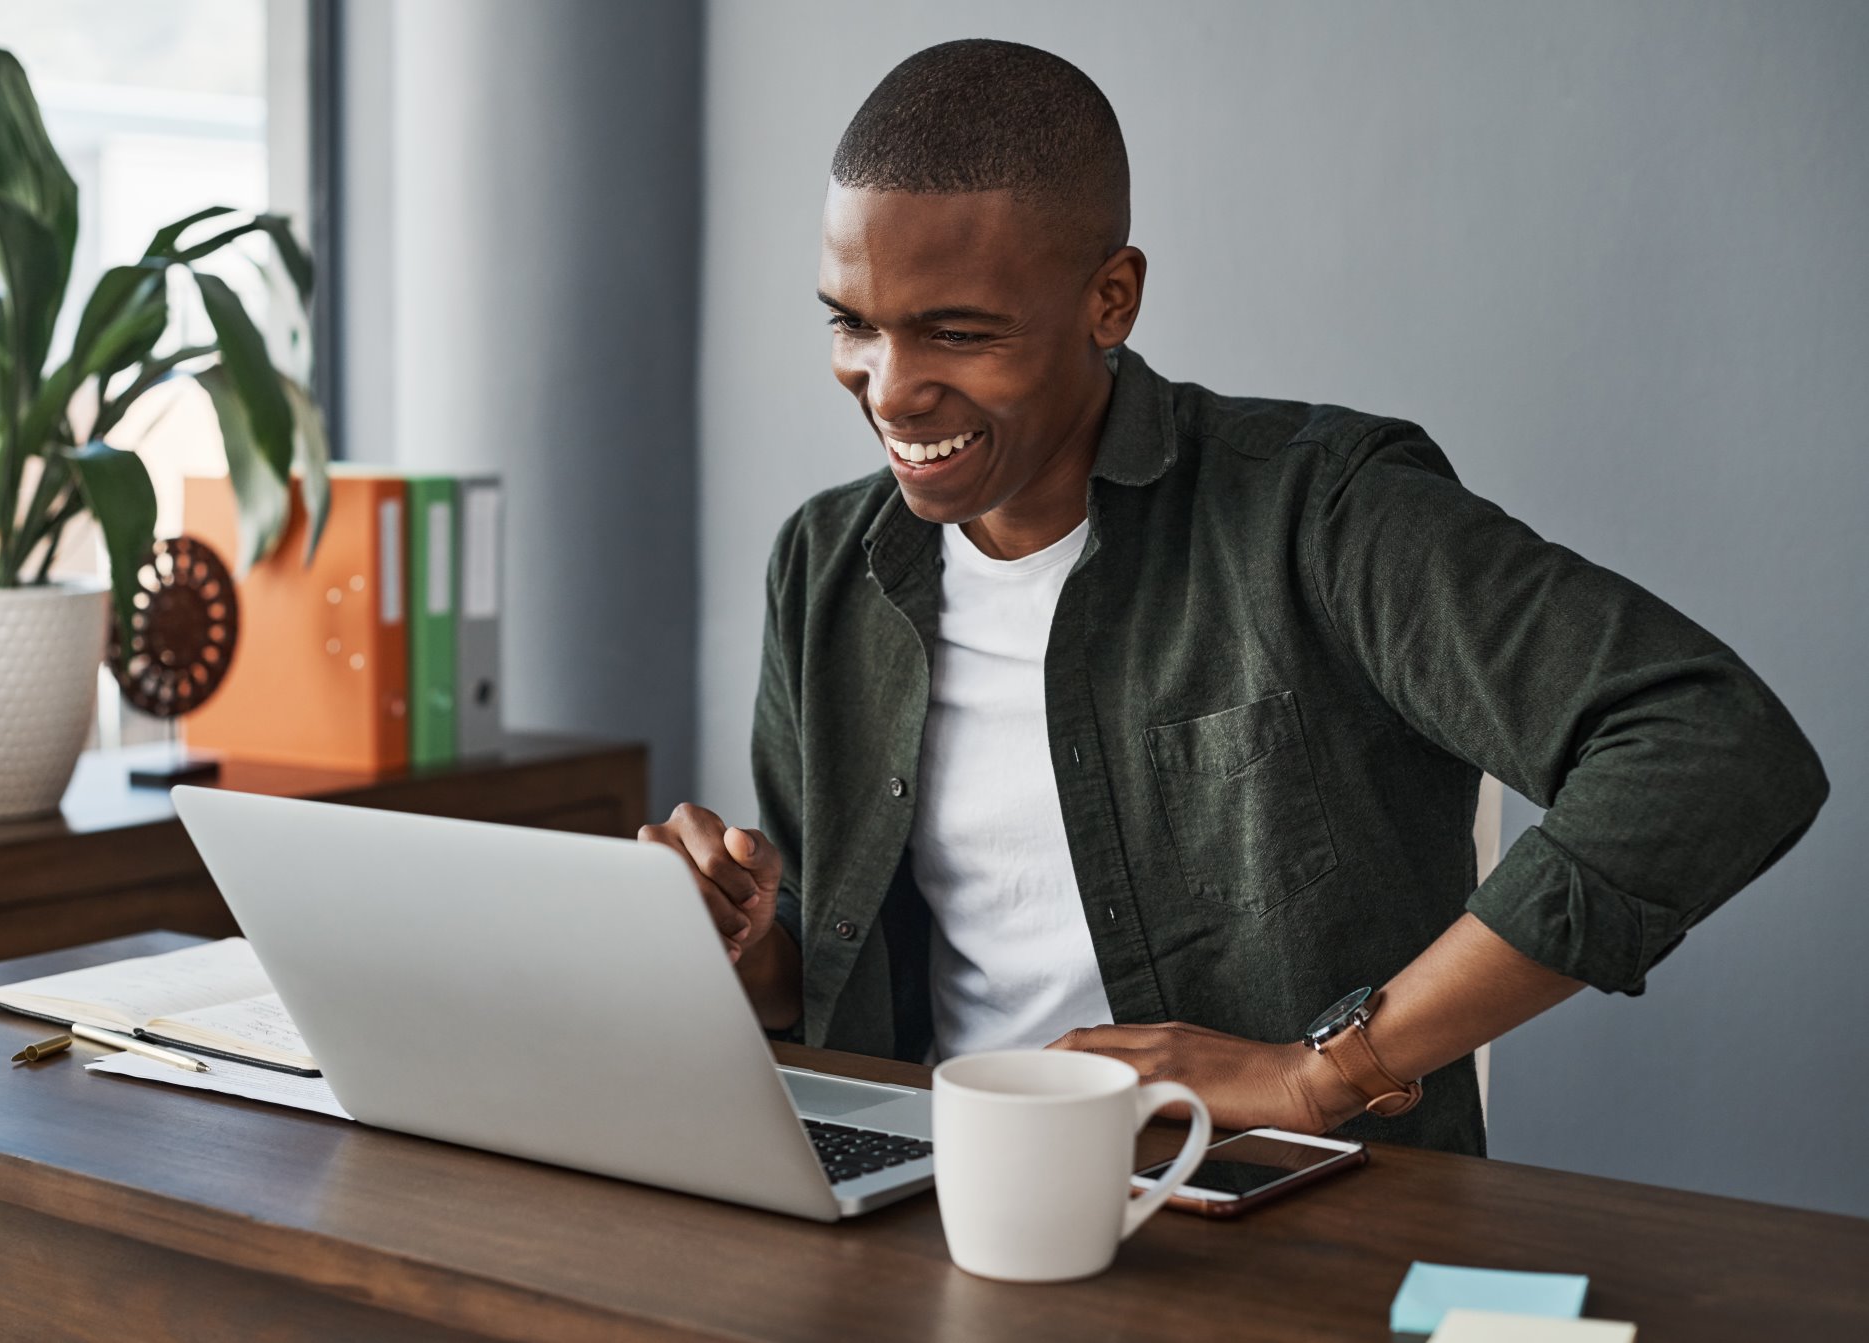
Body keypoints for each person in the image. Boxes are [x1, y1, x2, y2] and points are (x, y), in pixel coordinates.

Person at [638, 38, 1827, 1153]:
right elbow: (833, 956)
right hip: (937, 1188)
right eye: (853, 324)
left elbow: (1709, 744)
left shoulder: (1319, 511)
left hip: (1272, 1210)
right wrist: (741, 950)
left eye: (956, 332)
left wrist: (1323, 1069)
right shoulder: (827, 561)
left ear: (1110, 300)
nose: (889, 391)